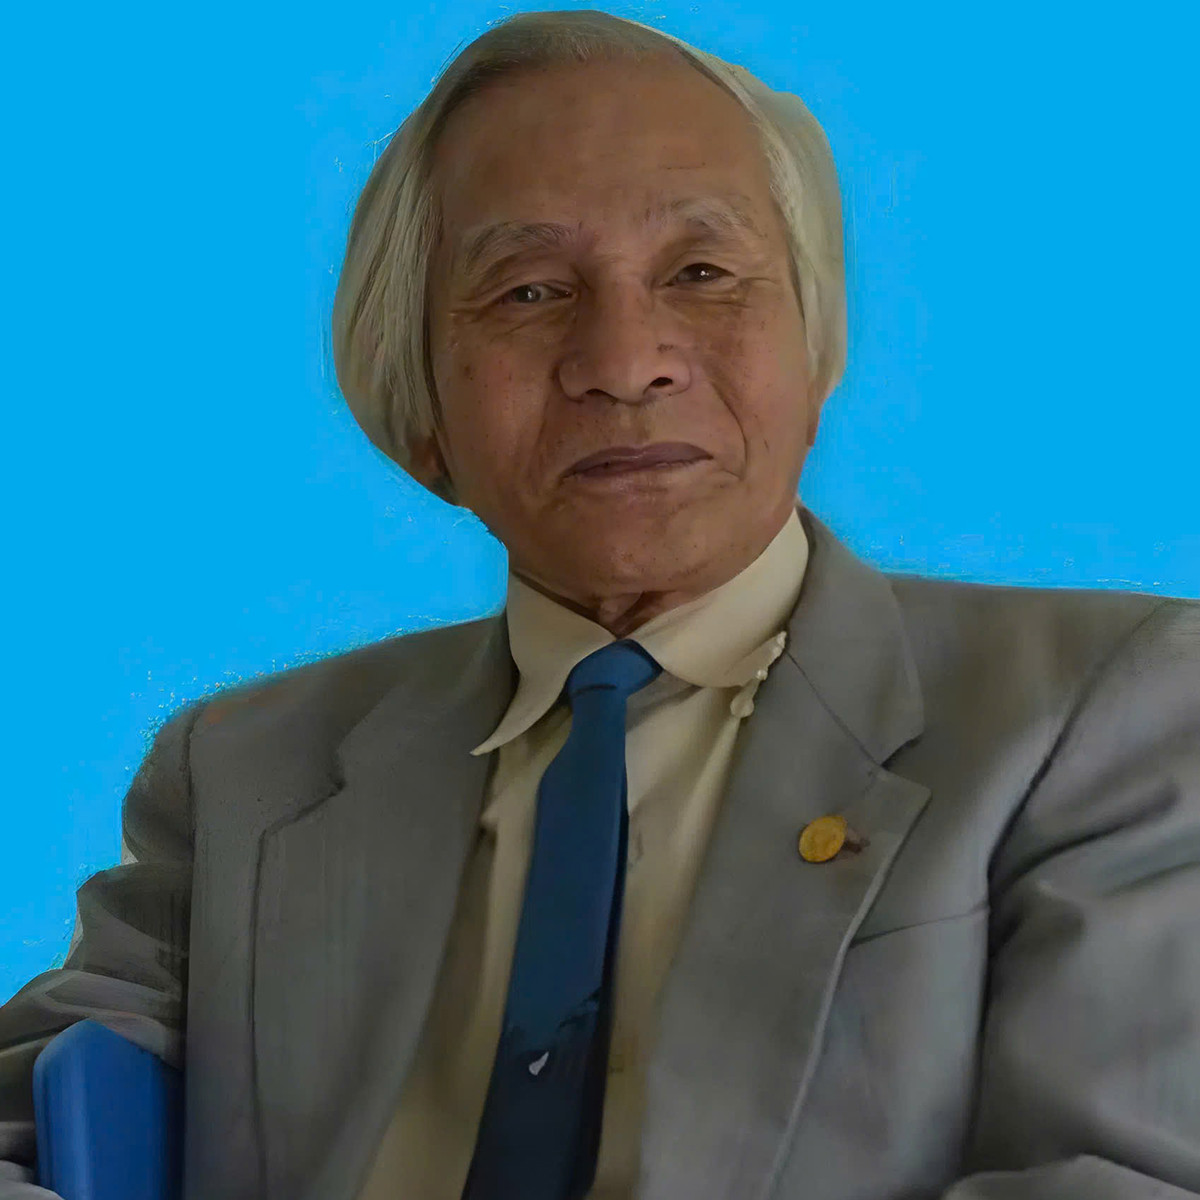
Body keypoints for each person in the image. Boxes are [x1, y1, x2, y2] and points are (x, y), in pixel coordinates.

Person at [2, 9, 1198, 1199]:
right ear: (420, 411)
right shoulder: (244, 773)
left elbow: (1123, 1178)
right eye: (528, 292)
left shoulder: (1107, 711)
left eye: (702, 273)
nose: (627, 362)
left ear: (815, 340)